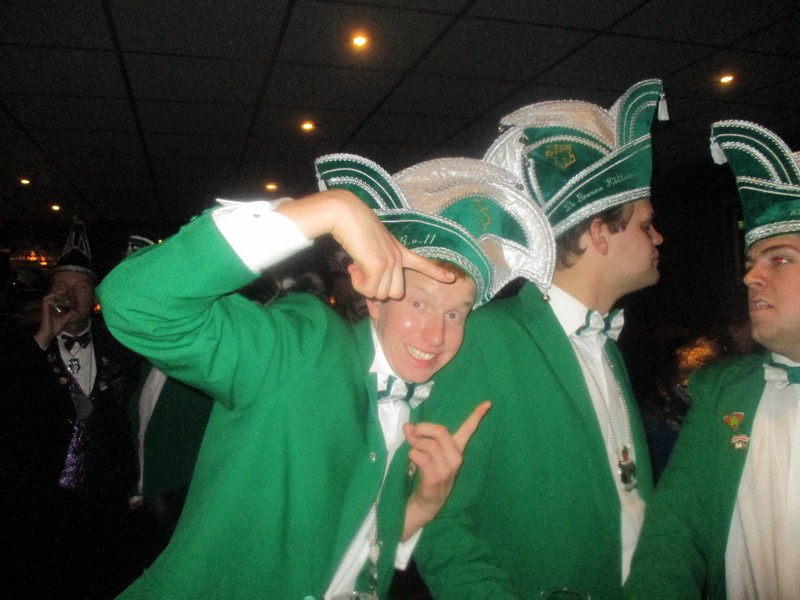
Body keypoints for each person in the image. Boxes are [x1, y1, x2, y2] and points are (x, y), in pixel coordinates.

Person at [97, 154, 555, 599]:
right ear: (374, 297)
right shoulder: (305, 345)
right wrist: (327, 210)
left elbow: (348, 549)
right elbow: (135, 302)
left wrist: (422, 505)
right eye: (419, 304)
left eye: (455, 314)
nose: (437, 335)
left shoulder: (420, 405)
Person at [413, 79, 668, 599]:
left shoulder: (605, 344)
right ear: (600, 233)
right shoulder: (487, 338)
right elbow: (441, 528)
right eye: (646, 225)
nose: (659, 236)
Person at [625, 121, 800, 599]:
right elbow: (675, 530)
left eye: (779, 259)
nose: (751, 278)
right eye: (750, 264)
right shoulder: (721, 389)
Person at [0, 220, 140, 598]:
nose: (68, 293)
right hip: (40, 500)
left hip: (104, 499)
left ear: (94, 296)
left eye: (79, 287)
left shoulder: (118, 345)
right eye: (61, 286)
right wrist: (44, 333)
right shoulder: (23, 347)